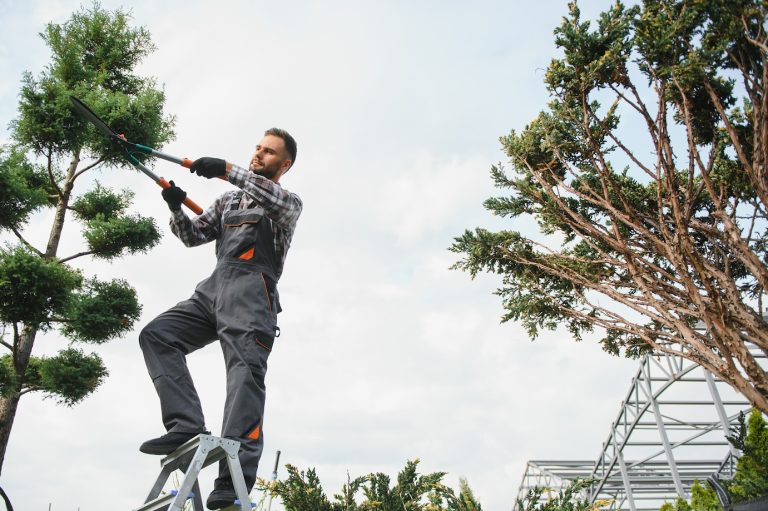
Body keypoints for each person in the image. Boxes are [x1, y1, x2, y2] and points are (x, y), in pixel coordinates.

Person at [138, 128, 302, 510]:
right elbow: (194, 236)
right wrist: (176, 206)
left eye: (270, 152)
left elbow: (265, 193)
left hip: (251, 296)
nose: (259, 154)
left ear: (285, 164)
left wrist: (225, 168)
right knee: (157, 335)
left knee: (244, 381)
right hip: (212, 292)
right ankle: (185, 424)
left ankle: (232, 481)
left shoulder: (287, 203)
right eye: (258, 148)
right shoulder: (229, 199)